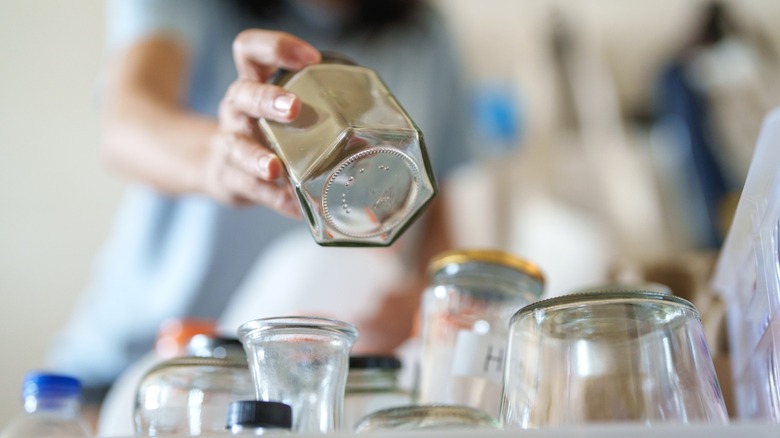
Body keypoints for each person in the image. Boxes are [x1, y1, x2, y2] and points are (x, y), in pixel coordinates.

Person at [46, 0, 473, 403]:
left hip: (294, 390)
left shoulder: (426, 38)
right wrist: (218, 158)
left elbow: (438, 228)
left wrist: (424, 305)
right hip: (135, 371)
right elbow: (126, 124)